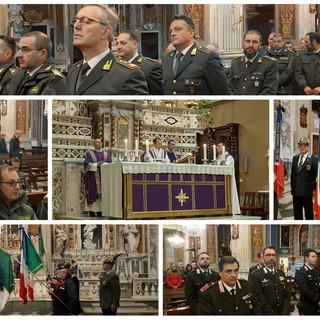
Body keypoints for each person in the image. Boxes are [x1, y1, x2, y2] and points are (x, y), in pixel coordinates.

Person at [67, 4, 149, 95]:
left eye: (86, 21)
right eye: (75, 20)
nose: (76, 26)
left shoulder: (126, 74)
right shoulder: (73, 71)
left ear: (105, 32)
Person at [162, 15, 229, 95]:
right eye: (170, 31)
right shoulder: (167, 58)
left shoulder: (206, 58)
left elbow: (222, 93)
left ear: (191, 33)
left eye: (178, 29)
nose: (173, 33)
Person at [229, 30, 278, 95]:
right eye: (247, 41)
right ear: (243, 43)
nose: (250, 45)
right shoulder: (235, 63)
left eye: (254, 42)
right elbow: (229, 88)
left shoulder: (269, 64)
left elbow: (269, 92)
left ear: (260, 45)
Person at [249, 245, 290, 315]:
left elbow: (287, 295)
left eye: (273, 255)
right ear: (263, 257)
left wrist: (284, 312)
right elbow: (259, 299)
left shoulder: (281, 273)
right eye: (268, 255)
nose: (271, 257)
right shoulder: (255, 275)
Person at [291, 137, 317, 220]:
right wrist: (292, 187)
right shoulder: (295, 158)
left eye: (305, 145)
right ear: (298, 146)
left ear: (308, 146)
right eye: (301, 145)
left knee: (308, 214)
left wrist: (314, 190)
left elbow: (316, 176)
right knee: (297, 214)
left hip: (307, 191)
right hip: (296, 191)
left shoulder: (313, 159)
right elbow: (293, 174)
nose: (302, 147)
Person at [84, 139, 112, 217]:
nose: (99, 143)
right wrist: (96, 164)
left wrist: (104, 164)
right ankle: (92, 211)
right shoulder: (90, 153)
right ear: (93, 144)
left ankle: (101, 211)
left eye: (100, 142)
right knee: (93, 192)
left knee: (103, 194)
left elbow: (110, 163)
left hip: (103, 176)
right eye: (97, 142)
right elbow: (86, 164)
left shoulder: (106, 154)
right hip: (93, 176)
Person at [294, 249, 320, 315]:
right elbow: (305, 291)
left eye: (316, 257)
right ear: (306, 258)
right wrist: (318, 301)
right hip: (307, 307)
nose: (315, 259)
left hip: (317, 306)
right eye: (313, 257)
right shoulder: (300, 272)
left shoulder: (316, 271)